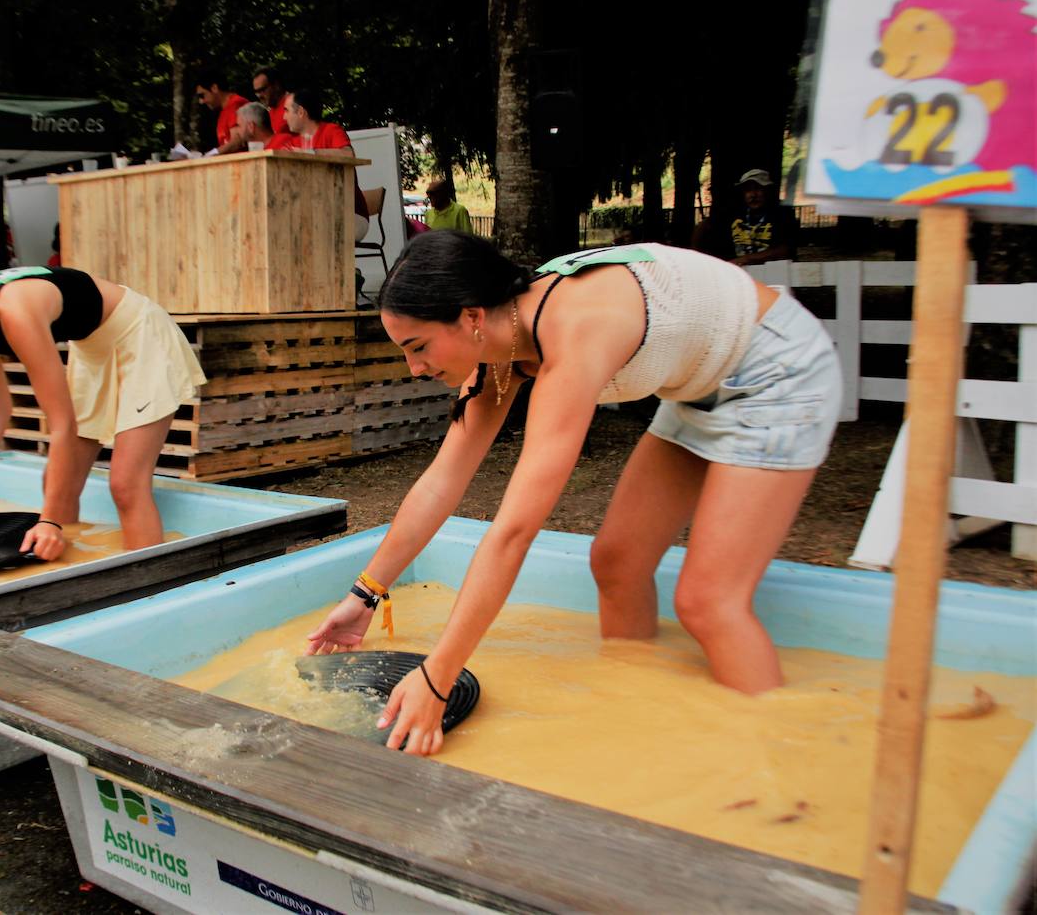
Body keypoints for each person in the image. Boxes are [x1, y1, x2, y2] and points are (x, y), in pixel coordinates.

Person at [305, 231, 842, 756]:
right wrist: (365, 593)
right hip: (699, 387)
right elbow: (441, 480)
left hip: (777, 371)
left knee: (708, 602)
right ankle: (635, 709)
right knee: (617, 564)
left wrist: (437, 677)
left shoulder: (575, 330)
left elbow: (514, 531)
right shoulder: (502, 344)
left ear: (470, 317)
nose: (415, 368)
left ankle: (775, 760)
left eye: (417, 347)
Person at [0, 245, 207, 559]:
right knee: (55, 484)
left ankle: (148, 593)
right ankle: (71, 578)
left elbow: (62, 424)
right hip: (92, 349)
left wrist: (49, 522)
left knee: (125, 484)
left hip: (137, 332)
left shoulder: (12, 310)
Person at [283, 87, 371, 239]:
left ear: (301, 112)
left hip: (350, 214)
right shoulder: (293, 143)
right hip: (315, 214)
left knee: (303, 229)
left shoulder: (331, 130)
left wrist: (309, 153)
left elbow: (349, 154)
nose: (284, 117)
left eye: (287, 110)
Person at [696, 169, 798, 266]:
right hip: (739, 274)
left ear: (767, 191)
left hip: (773, 274)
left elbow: (785, 251)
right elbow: (704, 226)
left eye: (758, 188)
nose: (753, 195)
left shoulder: (783, 214)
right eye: (748, 190)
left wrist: (746, 259)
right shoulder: (733, 214)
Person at [194, 69, 250, 153]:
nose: (201, 101)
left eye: (202, 95)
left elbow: (237, 142)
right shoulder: (224, 110)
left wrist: (210, 155)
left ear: (214, 88)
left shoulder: (235, 104)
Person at [227, 102, 298, 153]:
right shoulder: (253, 150)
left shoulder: (283, 142)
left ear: (251, 127)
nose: (236, 131)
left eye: (238, 125)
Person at [251, 66, 292, 135]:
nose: (259, 95)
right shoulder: (268, 111)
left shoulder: (293, 105)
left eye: (262, 90)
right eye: (256, 92)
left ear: (276, 86)